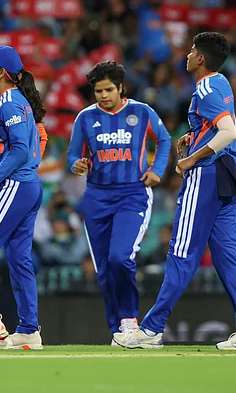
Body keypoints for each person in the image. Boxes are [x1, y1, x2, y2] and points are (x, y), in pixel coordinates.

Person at [114, 32, 236, 350]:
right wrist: (194, 134)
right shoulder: (220, 82)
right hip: (227, 174)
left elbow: (228, 132)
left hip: (206, 175)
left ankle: (151, 330)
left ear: (200, 58)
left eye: (192, 50)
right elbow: (219, 126)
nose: (187, 55)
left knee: (181, 252)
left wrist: (191, 159)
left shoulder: (205, 88)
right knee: (228, 257)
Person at [66, 61, 171, 343]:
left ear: (121, 88)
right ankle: (117, 330)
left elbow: (163, 139)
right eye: (98, 91)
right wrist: (77, 164)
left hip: (132, 194)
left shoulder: (141, 111)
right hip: (96, 197)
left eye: (108, 90)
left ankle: (129, 320)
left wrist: (157, 170)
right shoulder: (85, 118)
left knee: (120, 257)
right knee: (103, 268)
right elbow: (73, 154)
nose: (103, 95)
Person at [0, 45, 46, 350]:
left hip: (17, 184)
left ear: (2, 72)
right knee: (19, 260)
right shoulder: (18, 100)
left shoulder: (8, 102)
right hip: (29, 186)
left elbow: (18, 150)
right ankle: (29, 330)